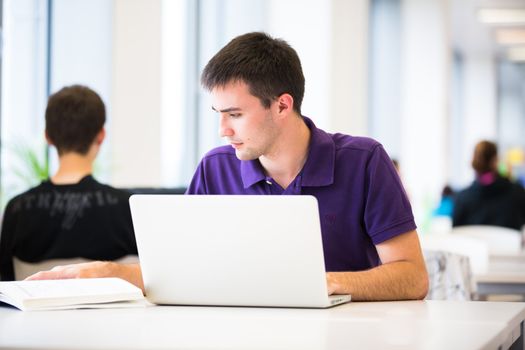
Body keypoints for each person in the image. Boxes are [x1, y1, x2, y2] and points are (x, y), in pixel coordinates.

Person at [27, 33, 428, 301]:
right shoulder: (214, 170)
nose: (223, 130)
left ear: (282, 105)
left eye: (234, 114)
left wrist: (317, 284)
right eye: (218, 113)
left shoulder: (365, 161)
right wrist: (109, 273)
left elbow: (412, 277)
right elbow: (178, 274)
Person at [0, 85, 138, 281]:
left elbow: (5, 284)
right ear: (101, 135)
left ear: (47, 136)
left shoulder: (17, 210)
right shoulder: (128, 209)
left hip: (35, 312)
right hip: (109, 312)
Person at [453, 140, 525, 230]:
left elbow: (456, 232)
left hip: (474, 243)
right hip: (508, 244)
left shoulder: (462, 198)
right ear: (496, 160)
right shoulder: (517, 192)